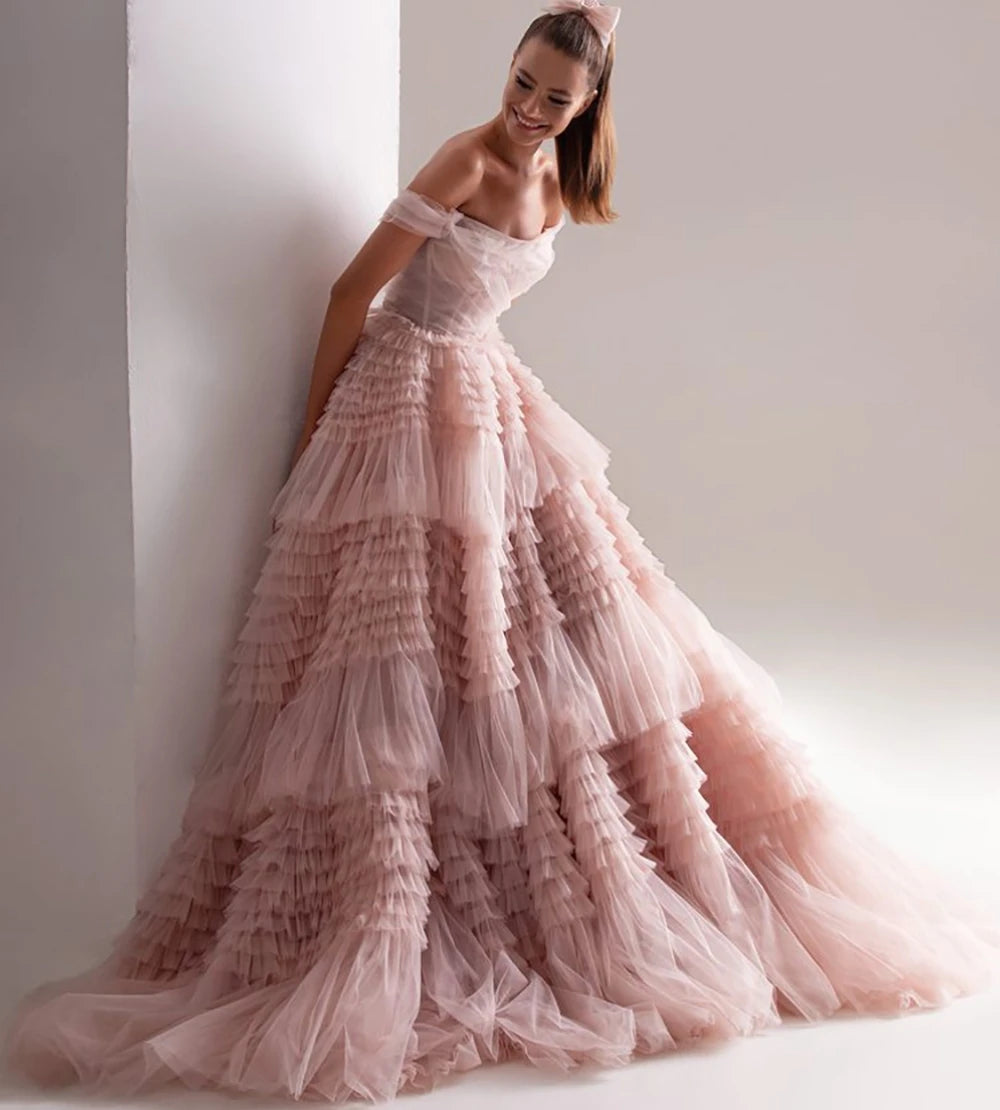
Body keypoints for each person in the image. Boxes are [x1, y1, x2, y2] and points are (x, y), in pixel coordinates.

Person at [5, 1, 999, 1104]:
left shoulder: (566, 178)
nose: (528, 107)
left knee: (562, 633)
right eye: (521, 81)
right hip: (407, 392)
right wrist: (313, 433)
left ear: (588, 104)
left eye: (554, 98)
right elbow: (352, 292)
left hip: (488, 394)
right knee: (397, 657)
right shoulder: (466, 161)